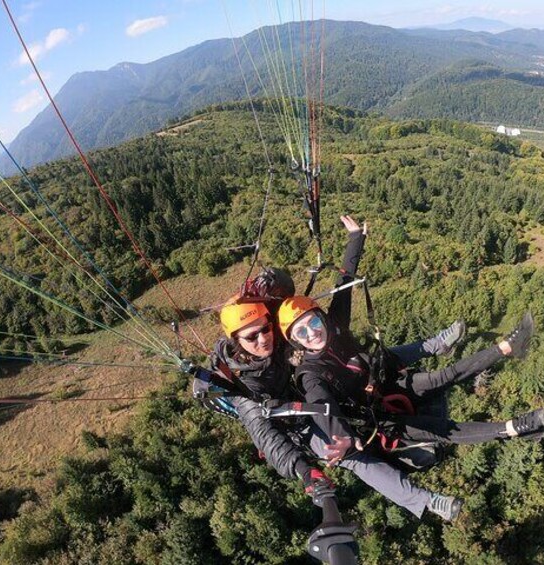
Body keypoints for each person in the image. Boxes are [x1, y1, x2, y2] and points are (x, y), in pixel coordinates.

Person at [278, 216, 544, 521]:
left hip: (386, 382)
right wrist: (340, 436)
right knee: (443, 431)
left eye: (313, 322)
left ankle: (508, 347)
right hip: (378, 417)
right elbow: (321, 404)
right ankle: (515, 429)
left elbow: (344, 285)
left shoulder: (335, 324)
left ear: (321, 318)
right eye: (301, 333)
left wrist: (355, 239)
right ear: (295, 342)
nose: (312, 333)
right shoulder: (311, 373)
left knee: (442, 378)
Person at [195, 216, 467, 515]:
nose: (263, 338)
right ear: (236, 340)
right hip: (298, 418)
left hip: (315, 382)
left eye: (266, 328)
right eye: (252, 336)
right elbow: (266, 434)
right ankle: (426, 500)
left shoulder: (274, 331)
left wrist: (355, 241)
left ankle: (434, 345)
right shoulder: (240, 385)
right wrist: (305, 472)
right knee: (344, 450)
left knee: (370, 360)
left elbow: (341, 296)